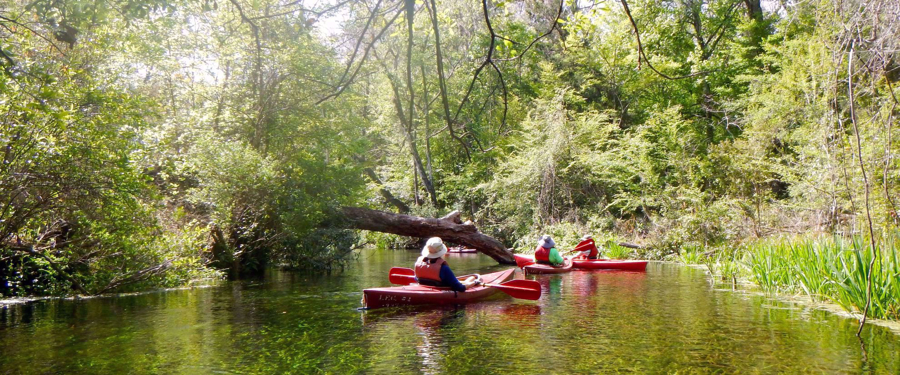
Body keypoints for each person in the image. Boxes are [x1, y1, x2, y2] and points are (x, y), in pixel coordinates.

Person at [415, 237, 481, 291]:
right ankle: (474, 280)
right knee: (473, 279)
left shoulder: (419, 263)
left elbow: (416, 279)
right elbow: (460, 288)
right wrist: (475, 283)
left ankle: (472, 279)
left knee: (472, 277)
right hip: (442, 288)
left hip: (427, 287)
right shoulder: (444, 268)